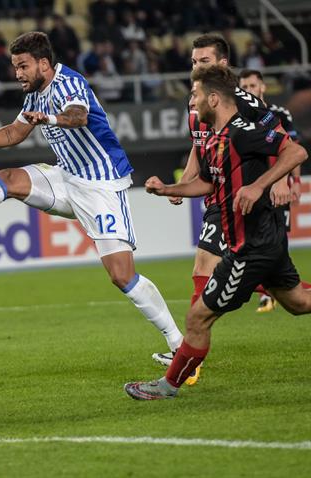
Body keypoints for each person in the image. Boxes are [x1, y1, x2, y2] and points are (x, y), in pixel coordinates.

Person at [0, 32, 184, 360]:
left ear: (43, 63)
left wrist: (50, 118)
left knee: (122, 275)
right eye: (15, 67)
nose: (18, 74)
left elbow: (78, 116)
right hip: (65, 177)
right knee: (9, 179)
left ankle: (179, 347)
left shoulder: (69, 83)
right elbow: (15, 132)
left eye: (23, 66)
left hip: (101, 185)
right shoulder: (35, 93)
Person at [125, 66, 310, 400]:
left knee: (198, 317)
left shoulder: (243, 132)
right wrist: (168, 189)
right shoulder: (213, 140)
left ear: (213, 98)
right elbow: (207, 184)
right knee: (298, 303)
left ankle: (167, 386)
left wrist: (258, 185)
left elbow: (296, 152)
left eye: (195, 95)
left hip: (251, 247)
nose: (192, 102)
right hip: (263, 241)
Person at [151, 34, 289, 382]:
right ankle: (192, 349)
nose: (196, 67)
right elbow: (199, 146)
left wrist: (278, 181)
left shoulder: (242, 102)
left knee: (205, 265)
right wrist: (182, 183)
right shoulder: (196, 100)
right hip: (216, 194)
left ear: (222, 64)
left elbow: (283, 141)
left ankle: (189, 355)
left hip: (241, 200)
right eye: (194, 61)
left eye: (204, 61)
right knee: (285, 293)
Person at [238, 68, 309, 312]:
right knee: (252, 242)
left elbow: (292, 150)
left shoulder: (279, 114)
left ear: (263, 87)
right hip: (252, 189)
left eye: (252, 86)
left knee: (278, 240)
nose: (249, 90)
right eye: (244, 87)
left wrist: (294, 182)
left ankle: (274, 291)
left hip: (277, 187)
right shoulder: (239, 116)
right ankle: (273, 290)